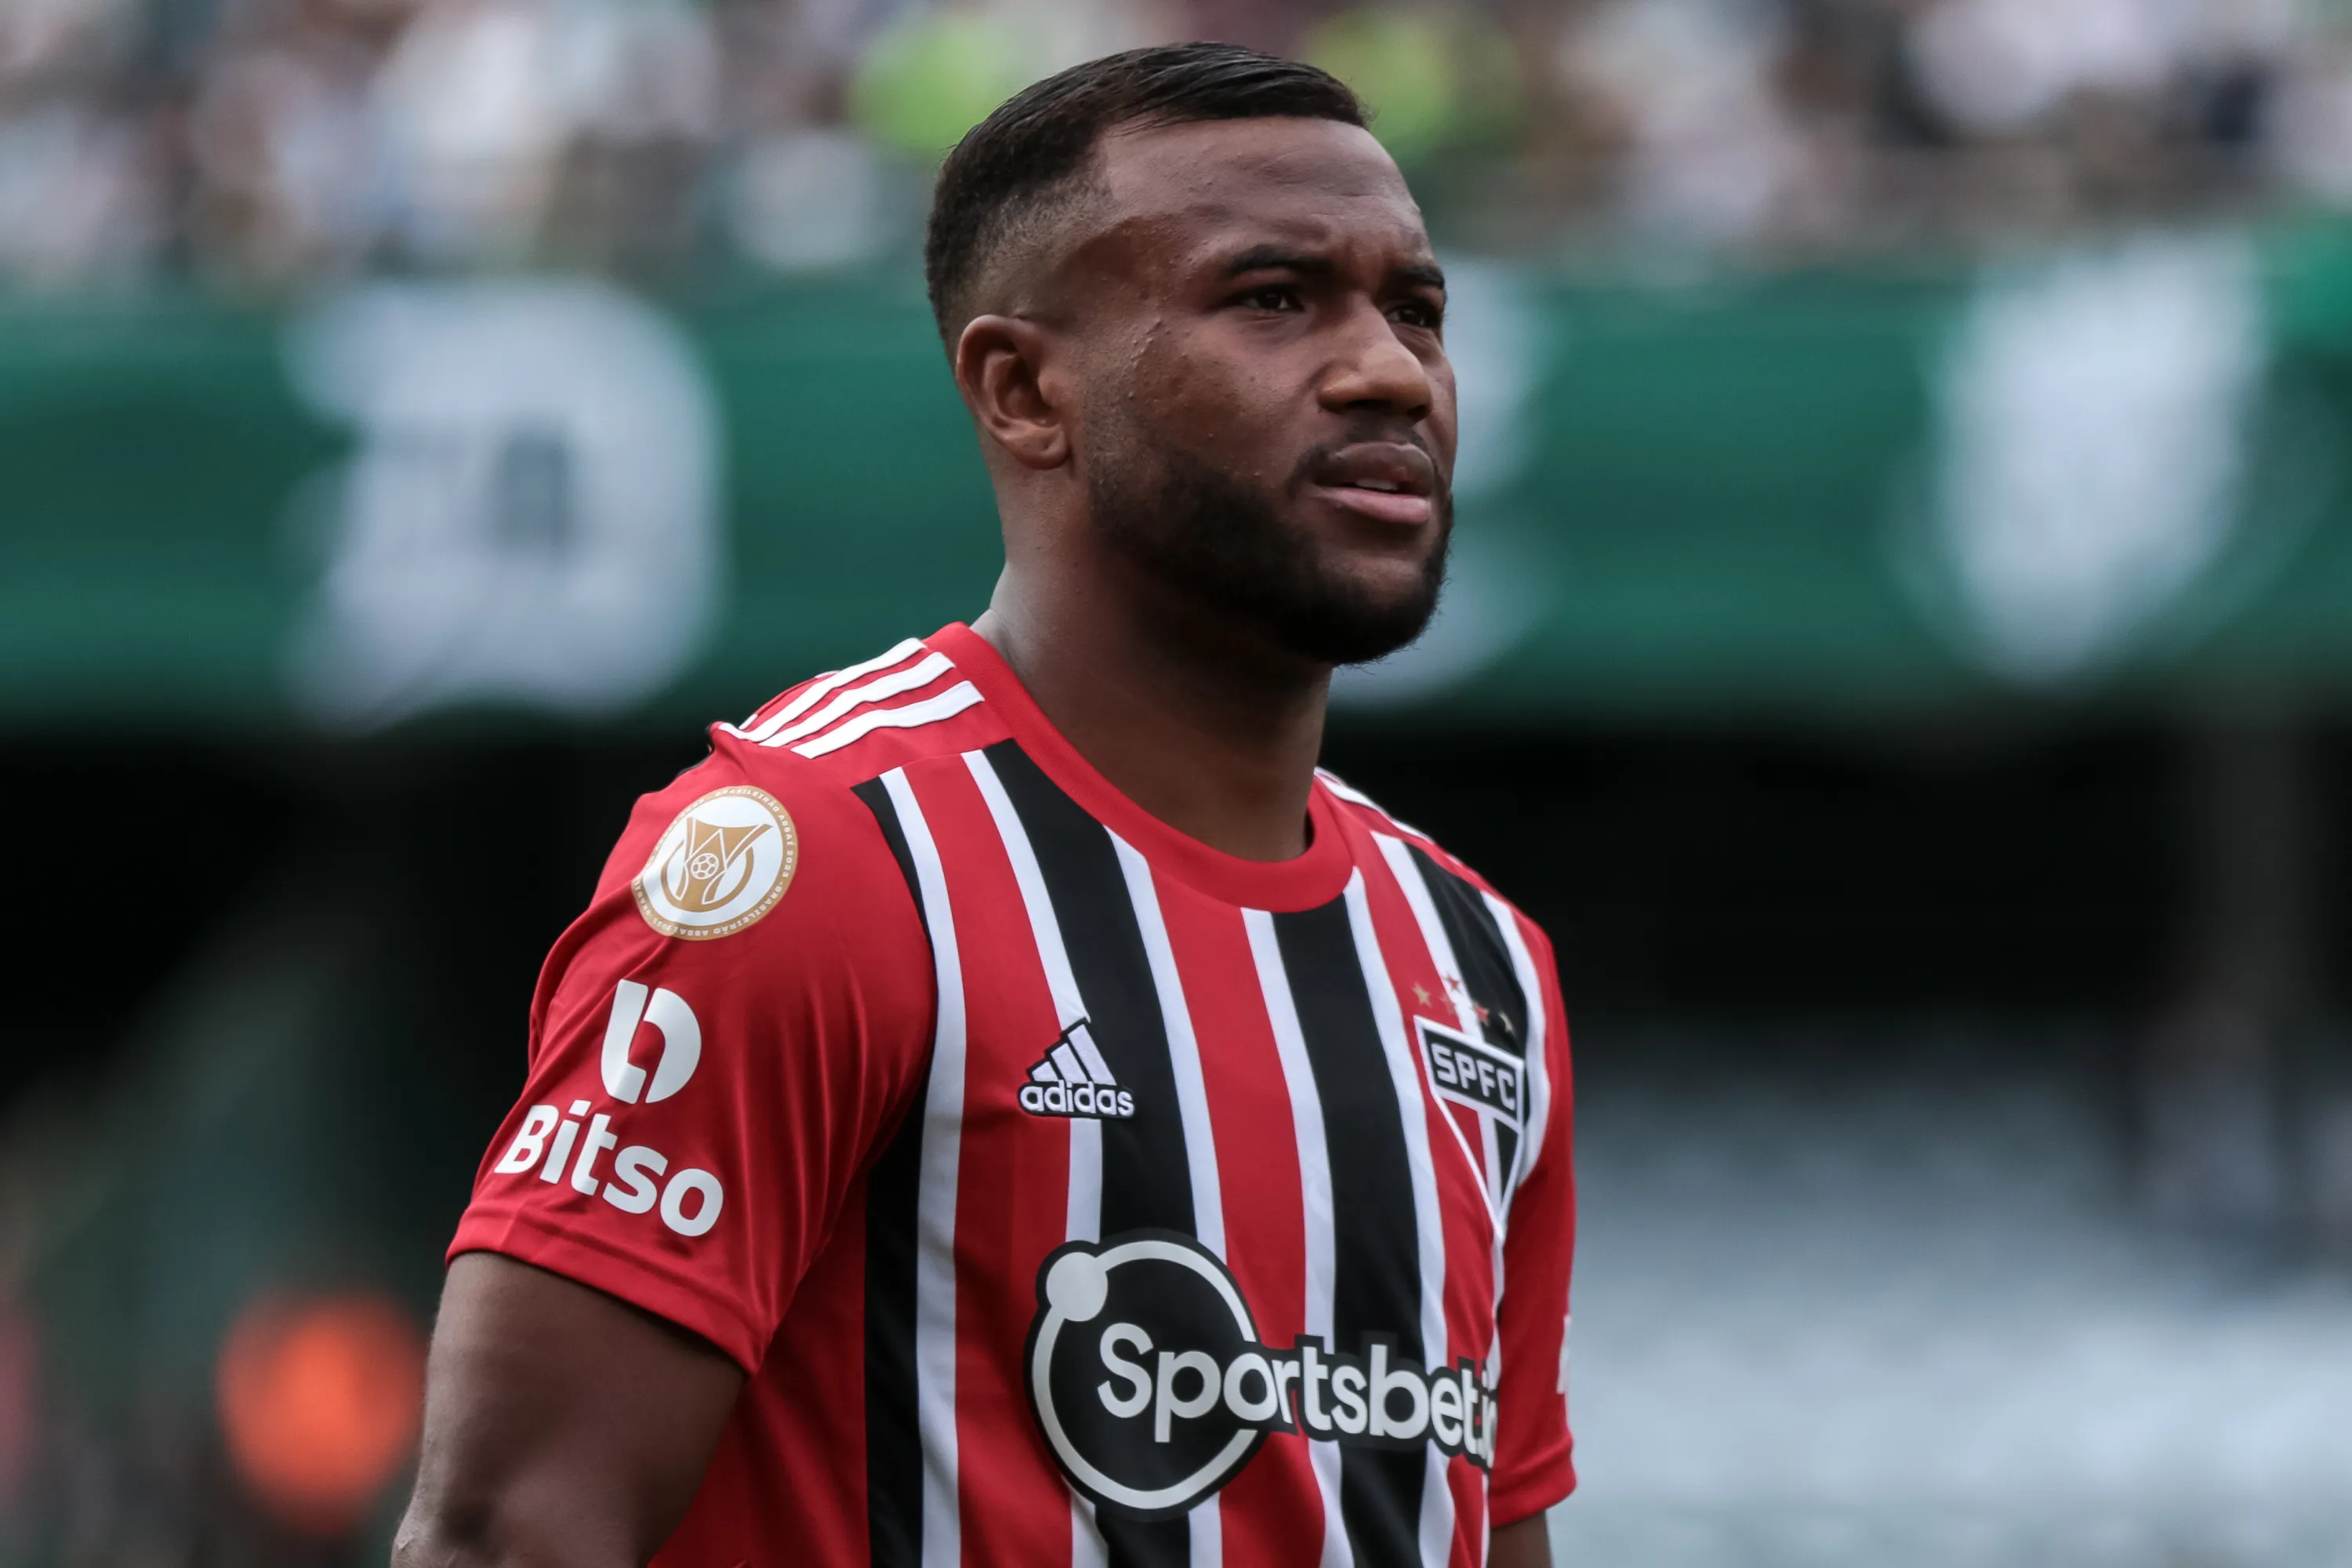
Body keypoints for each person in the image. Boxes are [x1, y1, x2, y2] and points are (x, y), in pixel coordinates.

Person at [394, 42, 1574, 1568]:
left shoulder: (1482, 969)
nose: (1388, 371)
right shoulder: (822, 861)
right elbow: (507, 1533)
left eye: (1414, 308)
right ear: (1025, 391)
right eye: (1274, 298)